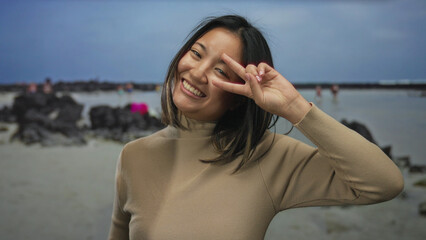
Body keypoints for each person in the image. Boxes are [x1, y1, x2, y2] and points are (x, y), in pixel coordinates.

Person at [108, 15, 403, 240]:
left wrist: (295, 108)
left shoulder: (264, 155)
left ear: (239, 96)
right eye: (197, 54)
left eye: (221, 71)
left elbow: (384, 183)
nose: (197, 73)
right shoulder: (133, 156)